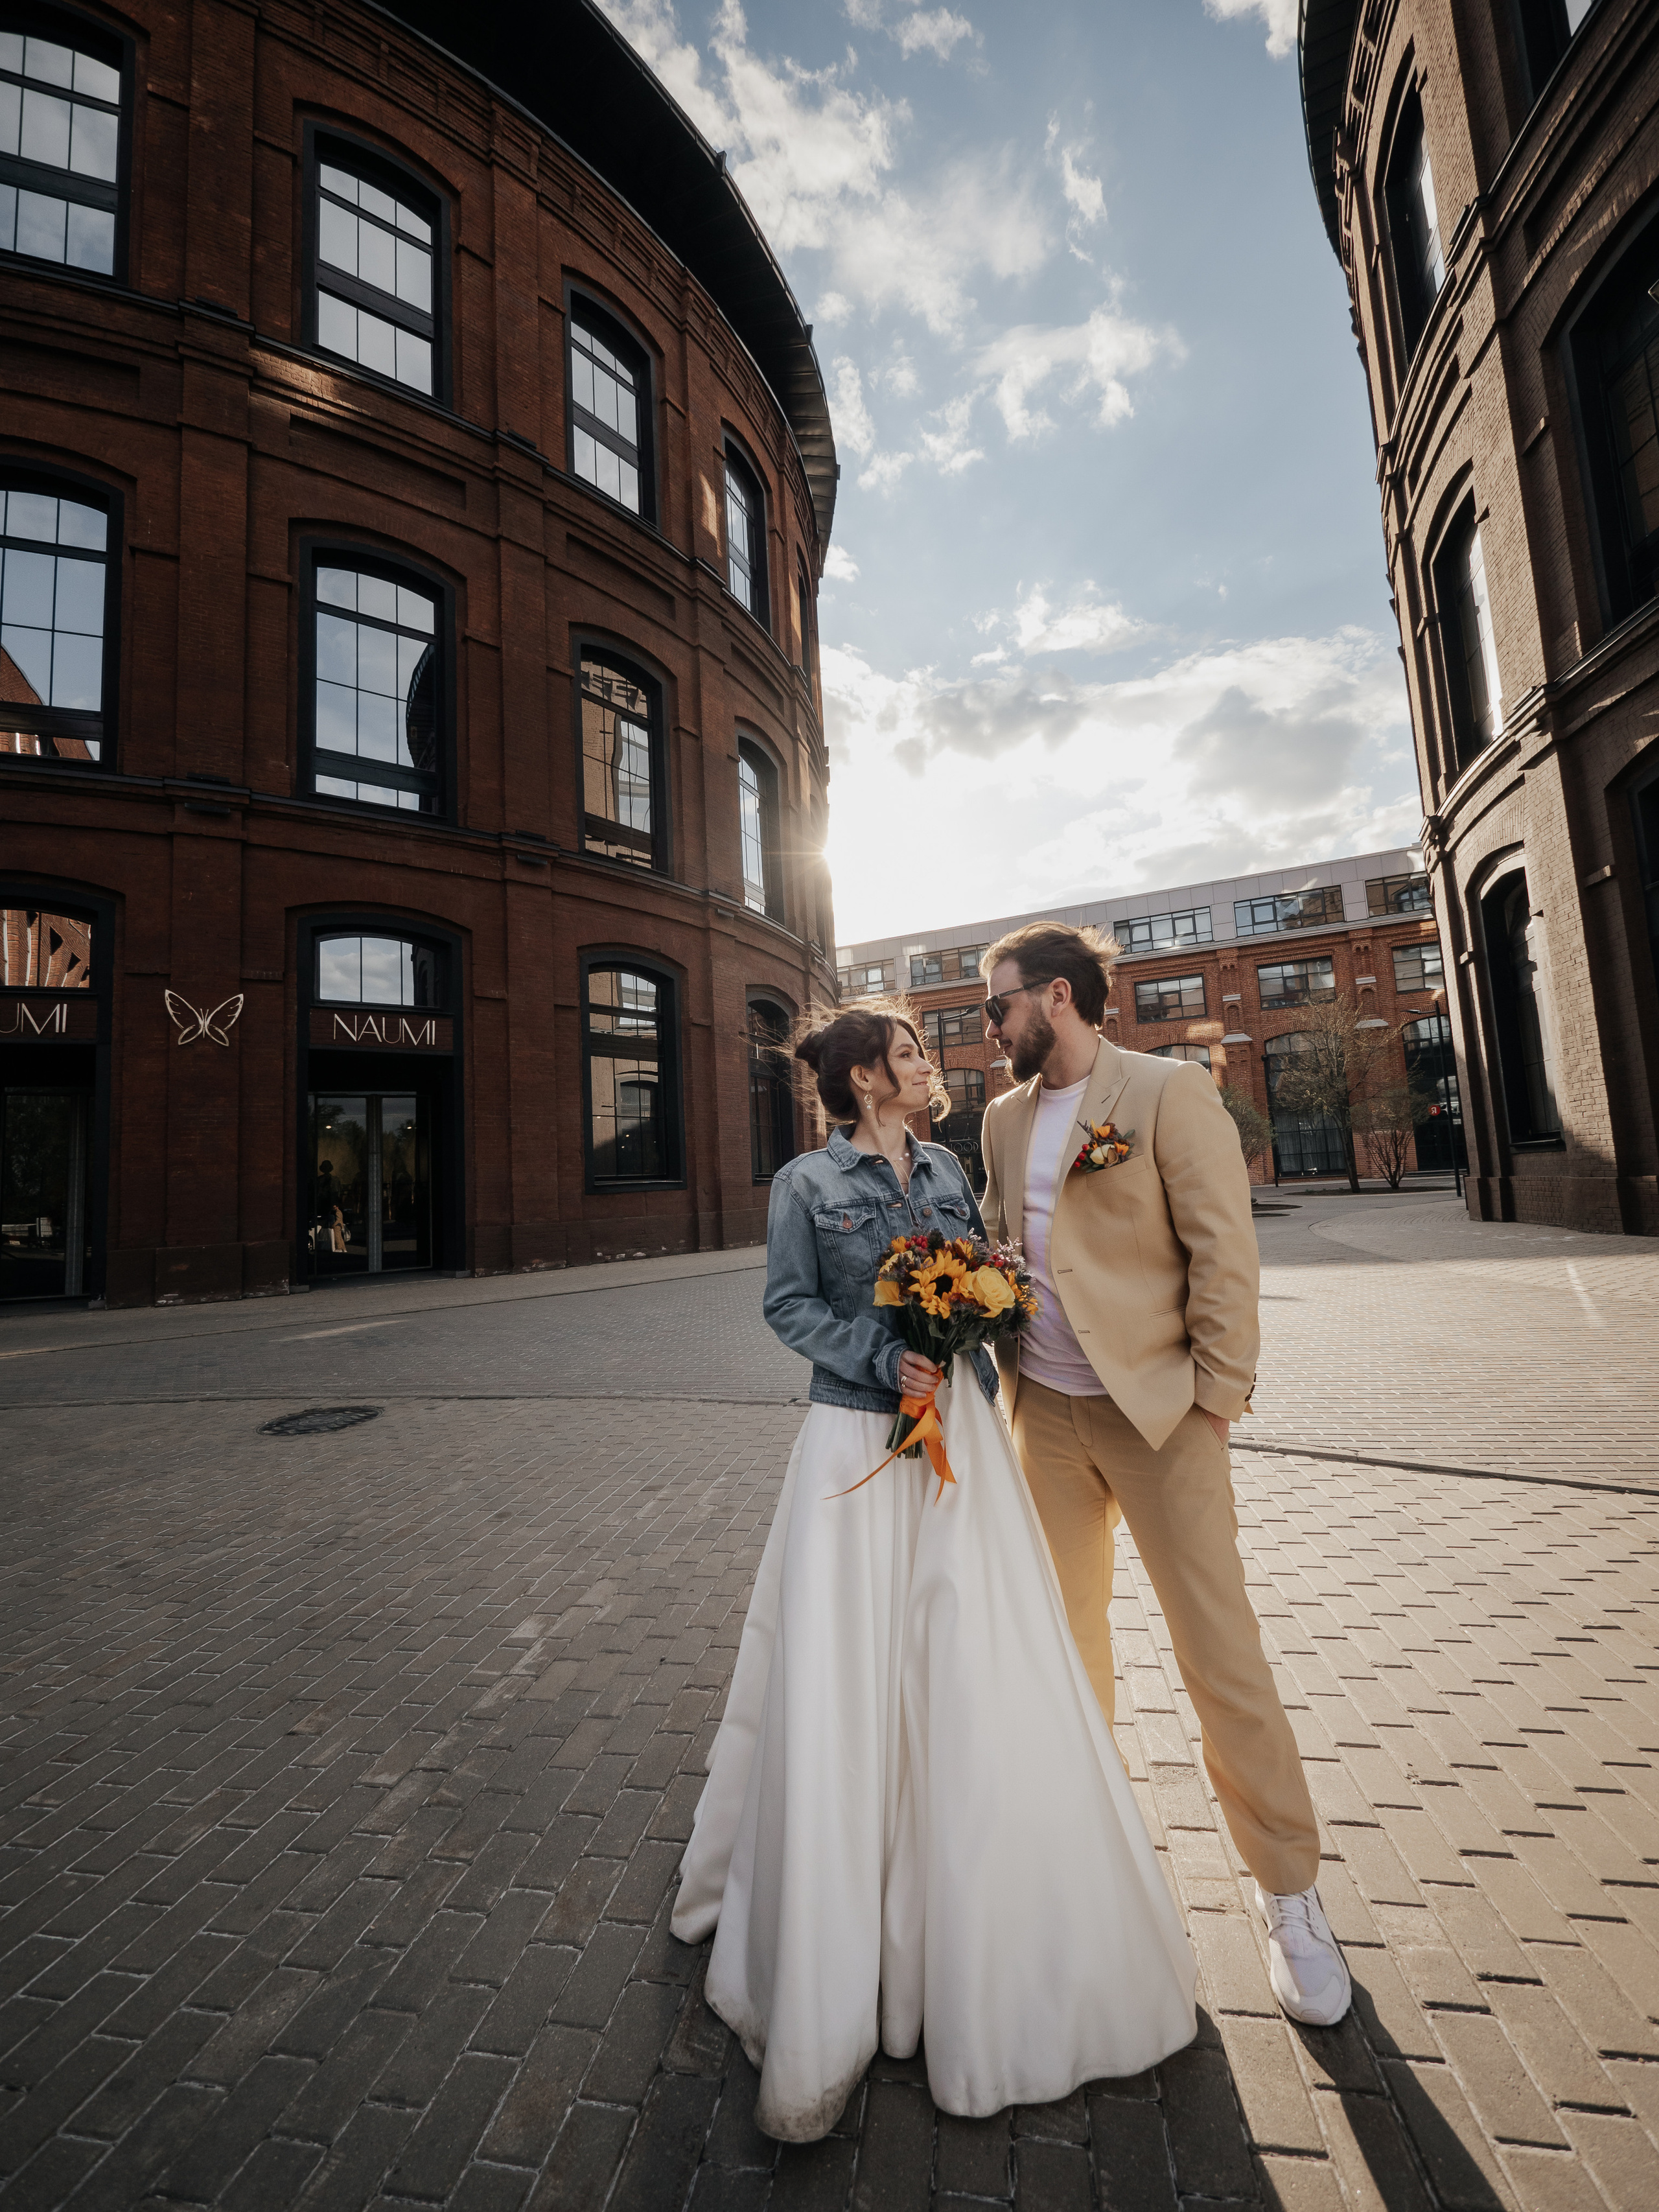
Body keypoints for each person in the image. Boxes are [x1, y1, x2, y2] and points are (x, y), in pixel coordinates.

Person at [672, 1002, 1197, 2143]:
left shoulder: (952, 1169)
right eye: (909, 1054)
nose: (927, 1066)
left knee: (968, 1661)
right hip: (860, 1444)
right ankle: (838, 1960)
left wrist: (991, 1306)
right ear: (865, 1077)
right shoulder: (805, 1185)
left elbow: (990, 1272)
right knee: (853, 1675)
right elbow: (788, 1305)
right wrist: (884, 1353)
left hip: (960, 1446)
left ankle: (970, 1926)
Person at [979, 920, 1351, 2029]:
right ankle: (1085, 1867)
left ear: (1056, 997)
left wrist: (1216, 1401)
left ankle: (1289, 1891)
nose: (987, 1025)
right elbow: (1006, 1239)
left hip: (1161, 1419)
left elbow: (1225, 1254)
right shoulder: (1000, 1119)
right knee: (1061, 1646)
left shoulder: (1167, 1091)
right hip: (1041, 1419)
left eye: (998, 1005)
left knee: (1218, 1650)